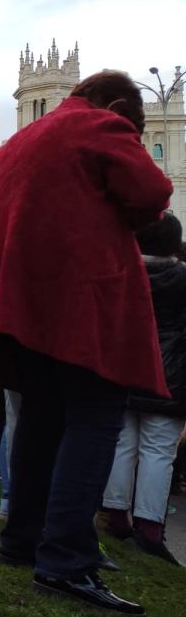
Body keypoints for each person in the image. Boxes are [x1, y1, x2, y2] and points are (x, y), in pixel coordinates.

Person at [0, 71, 171, 614]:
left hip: (23, 303)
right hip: (77, 300)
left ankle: (23, 539)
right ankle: (67, 558)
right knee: (96, 415)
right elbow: (151, 195)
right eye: (135, 130)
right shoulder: (99, 124)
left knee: (42, 416)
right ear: (117, 106)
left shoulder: (18, 143)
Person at [100, 214, 186, 565]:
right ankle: (150, 528)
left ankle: (115, 515)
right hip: (170, 375)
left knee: (121, 444)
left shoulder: (122, 273)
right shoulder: (182, 277)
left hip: (123, 368)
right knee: (158, 451)